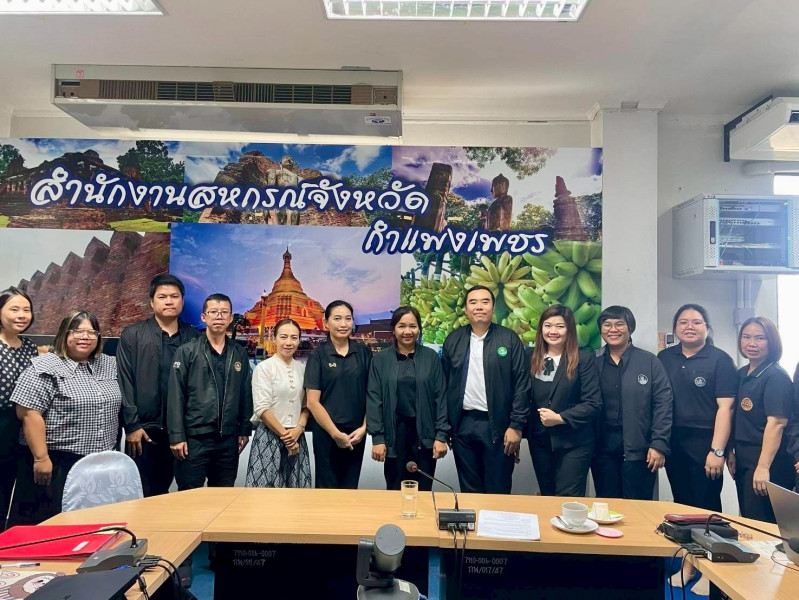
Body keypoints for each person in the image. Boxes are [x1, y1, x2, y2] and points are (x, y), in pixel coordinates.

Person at [9, 310, 120, 525]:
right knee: (52, 525)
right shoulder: (44, 367)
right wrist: (41, 459)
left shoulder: (109, 364)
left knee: (93, 525)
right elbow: (29, 414)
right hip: (56, 463)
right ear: (64, 334)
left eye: (92, 332)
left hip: (99, 464)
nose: (85, 337)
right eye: (77, 331)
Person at [442, 285, 530, 494]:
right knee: (469, 490)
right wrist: (446, 429)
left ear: (493, 307)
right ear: (466, 309)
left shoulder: (509, 339)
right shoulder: (453, 340)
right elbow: (444, 386)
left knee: (498, 489)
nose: (479, 307)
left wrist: (516, 425)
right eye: (473, 302)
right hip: (462, 425)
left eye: (485, 302)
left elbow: (522, 384)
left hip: (499, 426)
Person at [117, 274, 199, 497]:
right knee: (142, 495)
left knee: (186, 495)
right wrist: (132, 426)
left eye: (175, 296)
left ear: (182, 301)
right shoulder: (132, 334)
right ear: (152, 302)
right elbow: (125, 381)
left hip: (184, 431)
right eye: (162, 297)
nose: (169, 301)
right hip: (144, 432)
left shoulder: (194, 337)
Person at [167, 293, 252, 491]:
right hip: (194, 439)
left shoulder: (238, 353)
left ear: (230, 318)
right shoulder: (187, 351)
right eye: (213, 312)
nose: (219, 316)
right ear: (204, 317)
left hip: (228, 440)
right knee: (189, 496)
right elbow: (175, 396)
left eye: (224, 312)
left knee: (223, 498)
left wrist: (244, 429)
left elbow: (245, 393)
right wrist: (177, 436)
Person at [658, 304, 738, 512]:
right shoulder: (664, 358)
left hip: (706, 441)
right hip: (674, 440)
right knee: (681, 501)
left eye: (696, 322)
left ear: (707, 328)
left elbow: (726, 409)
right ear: (676, 328)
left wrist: (717, 451)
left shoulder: (721, 360)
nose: (689, 327)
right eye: (683, 322)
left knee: (706, 503)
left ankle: (710, 535)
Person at [590, 306, 672, 500]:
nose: (613, 329)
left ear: (630, 328)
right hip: (602, 450)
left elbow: (663, 403)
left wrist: (659, 444)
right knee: (607, 506)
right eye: (607, 324)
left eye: (619, 324)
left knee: (639, 507)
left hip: (641, 451)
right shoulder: (592, 361)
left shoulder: (649, 361)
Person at [366, 306, 449, 490]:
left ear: (419, 329)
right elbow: (374, 399)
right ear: (393, 329)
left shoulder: (431, 358)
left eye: (412, 326)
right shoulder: (380, 360)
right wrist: (377, 438)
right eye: (401, 326)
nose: (407, 331)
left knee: (424, 490)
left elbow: (441, 397)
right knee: (395, 489)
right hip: (394, 436)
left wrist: (441, 435)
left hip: (425, 435)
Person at [528, 305, 601, 497]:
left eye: (560, 326)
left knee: (568, 499)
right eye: (548, 325)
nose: (553, 331)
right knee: (547, 495)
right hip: (540, 442)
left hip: (574, 442)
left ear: (569, 329)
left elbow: (593, 403)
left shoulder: (584, 359)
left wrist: (560, 418)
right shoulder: (531, 357)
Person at [728, 317, 794, 523]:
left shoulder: (776, 376)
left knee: (763, 523)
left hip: (768, 460)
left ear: (771, 341)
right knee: (748, 518)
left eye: (760, 338)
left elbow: (777, 423)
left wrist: (763, 467)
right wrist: (730, 451)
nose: (752, 343)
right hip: (744, 457)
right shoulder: (742, 374)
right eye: (746, 337)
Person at [305, 300, 372, 489]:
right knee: (326, 490)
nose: (343, 324)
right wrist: (335, 434)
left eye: (348, 319)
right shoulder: (318, 356)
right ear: (326, 323)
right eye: (337, 319)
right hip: (326, 434)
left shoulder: (364, 353)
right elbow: (312, 402)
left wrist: (365, 427)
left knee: (350, 489)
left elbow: (373, 394)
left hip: (356, 435)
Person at [246, 319, 311, 488]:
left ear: (299, 340)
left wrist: (298, 429)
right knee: (266, 495)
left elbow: (306, 405)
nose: (289, 342)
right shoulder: (264, 368)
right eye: (283, 337)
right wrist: (287, 438)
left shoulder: (303, 369)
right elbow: (261, 408)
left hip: (296, 437)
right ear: (274, 339)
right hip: (269, 437)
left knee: (296, 494)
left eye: (294, 338)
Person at [0, 287, 38, 530]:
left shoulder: (29, 347)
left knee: (13, 488)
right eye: (14, 309)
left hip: (22, 426)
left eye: (26, 310)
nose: (22, 315)